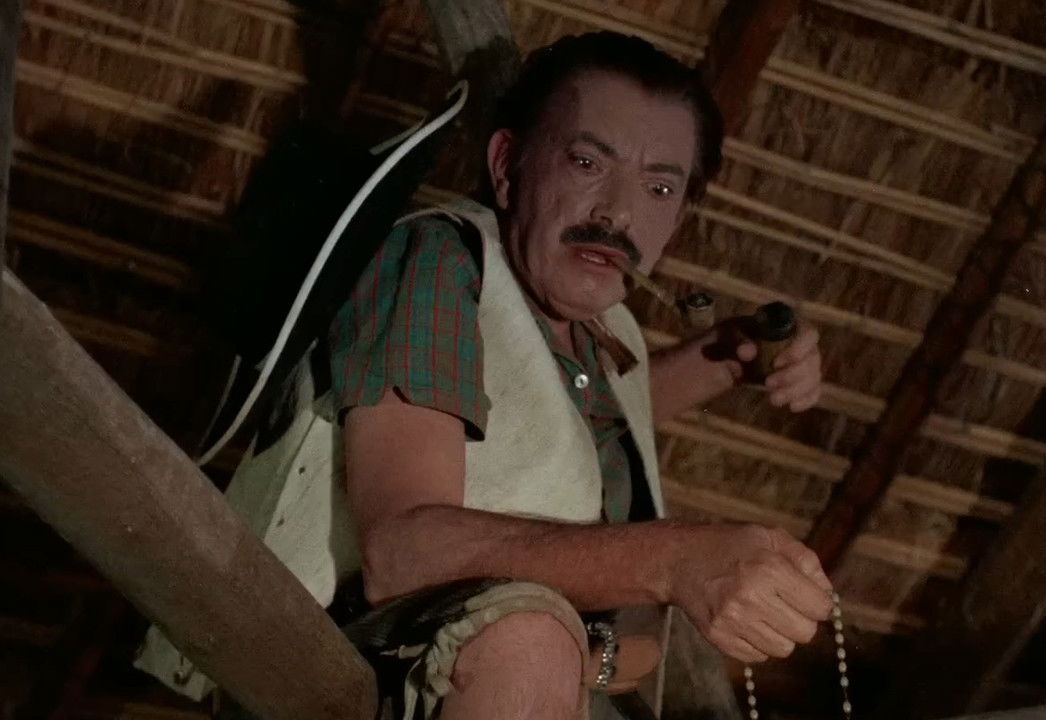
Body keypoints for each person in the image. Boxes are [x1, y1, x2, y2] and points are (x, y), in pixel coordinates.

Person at [138, 31, 834, 720]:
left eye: (658, 187)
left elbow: (559, 433)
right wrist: (674, 560)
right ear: (506, 166)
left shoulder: (606, 330)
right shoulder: (439, 262)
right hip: (354, 673)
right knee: (529, 642)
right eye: (588, 162)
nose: (618, 212)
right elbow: (401, 550)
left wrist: (731, 357)